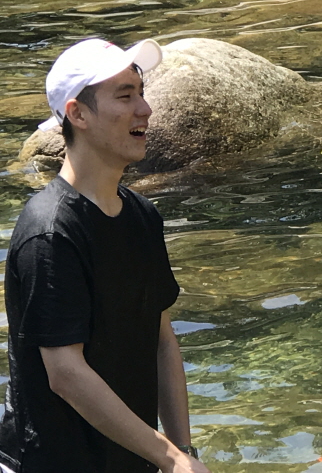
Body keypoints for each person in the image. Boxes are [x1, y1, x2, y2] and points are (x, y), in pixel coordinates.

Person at [0, 39, 209, 473]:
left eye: (141, 93)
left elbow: (162, 340)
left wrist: (183, 452)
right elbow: (65, 373)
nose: (145, 109)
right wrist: (169, 457)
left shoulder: (141, 216)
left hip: (134, 459)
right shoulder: (50, 232)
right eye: (125, 96)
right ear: (78, 114)